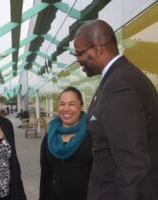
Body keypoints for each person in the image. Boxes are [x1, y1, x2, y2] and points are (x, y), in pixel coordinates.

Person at [73, 19, 158, 200]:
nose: (78, 60)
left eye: (79, 53)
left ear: (97, 49)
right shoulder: (123, 77)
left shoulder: (119, 86)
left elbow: (131, 166)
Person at [39, 86, 92, 200]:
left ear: (81, 106)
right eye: (62, 104)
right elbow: (45, 176)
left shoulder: (92, 135)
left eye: (72, 104)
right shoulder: (49, 137)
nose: (66, 109)